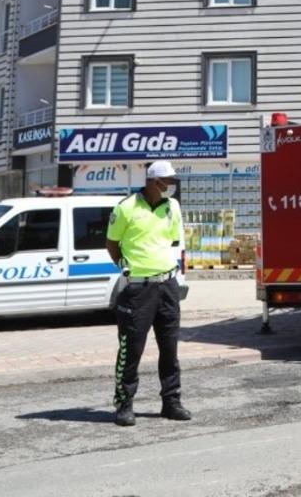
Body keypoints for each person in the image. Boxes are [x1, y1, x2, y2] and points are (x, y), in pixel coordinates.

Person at [106, 160, 190, 427]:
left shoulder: (172, 207)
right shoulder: (126, 208)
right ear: (155, 182)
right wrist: (125, 267)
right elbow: (111, 243)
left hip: (167, 285)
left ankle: (171, 402)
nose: (172, 186)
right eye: (169, 181)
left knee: (170, 348)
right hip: (138, 289)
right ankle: (124, 404)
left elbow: (173, 240)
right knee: (131, 350)